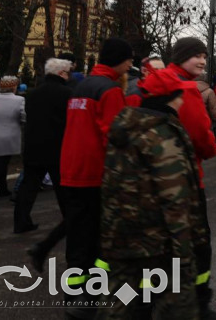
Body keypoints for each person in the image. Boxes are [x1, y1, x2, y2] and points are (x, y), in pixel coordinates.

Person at [98, 67, 206, 319]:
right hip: (156, 241)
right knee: (172, 301)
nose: (182, 102)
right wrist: (184, 248)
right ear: (171, 98)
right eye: (179, 97)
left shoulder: (125, 126)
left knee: (119, 298)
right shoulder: (162, 136)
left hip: (119, 234)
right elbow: (174, 197)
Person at [60, 37, 131, 314]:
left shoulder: (81, 86)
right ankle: (92, 296)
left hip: (71, 170)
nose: (130, 65)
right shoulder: (110, 90)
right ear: (119, 60)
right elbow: (114, 137)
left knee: (77, 236)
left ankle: (74, 292)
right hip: (96, 174)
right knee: (99, 237)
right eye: (128, 59)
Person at [165, 37, 216, 320]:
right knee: (199, 245)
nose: (202, 61)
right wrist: (214, 148)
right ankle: (199, 306)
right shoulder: (186, 89)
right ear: (180, 57)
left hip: (154, 182)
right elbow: (201, 137)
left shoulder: (154, 82)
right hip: (187, 181)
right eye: (196, 56)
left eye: (204, 55)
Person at [16, 59, 71, 239]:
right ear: (61, 73)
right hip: (57, 147)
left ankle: (21, 221)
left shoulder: (32, 93)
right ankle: (69, 222)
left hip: (33, 145)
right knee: (63, 189)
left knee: (28, 186)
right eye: (67, 72)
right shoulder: (67, 93)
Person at [0, 76, 24, 198]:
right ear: (14, 86)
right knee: (1, 164)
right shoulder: (19, 100)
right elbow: (23, 116)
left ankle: (2, 189)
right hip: (9, 136)